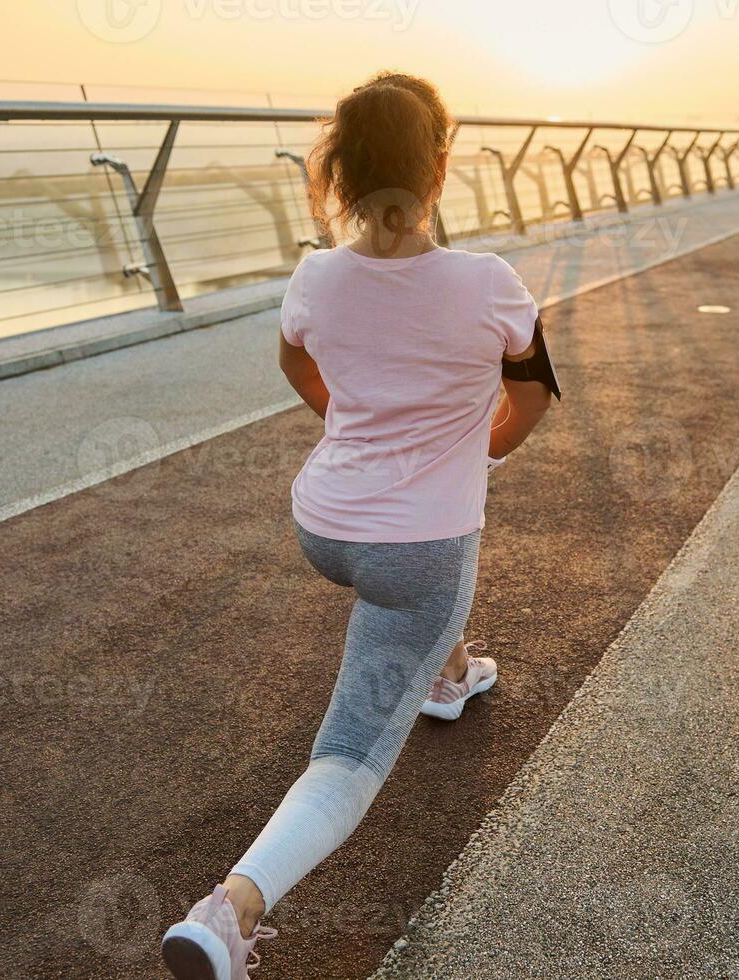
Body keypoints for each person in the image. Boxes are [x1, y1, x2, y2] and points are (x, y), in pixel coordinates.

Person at [160, 71, 554, 980]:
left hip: (324, 523)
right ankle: (227, 913)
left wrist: (360, 433)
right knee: (346, 756)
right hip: (414, 552)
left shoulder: (315, 276)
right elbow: (531, 397)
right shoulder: (488, 283)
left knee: (419, 606)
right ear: (441, 167)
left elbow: (297, 366)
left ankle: (450, 675)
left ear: (337, 172)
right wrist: (475, 452)